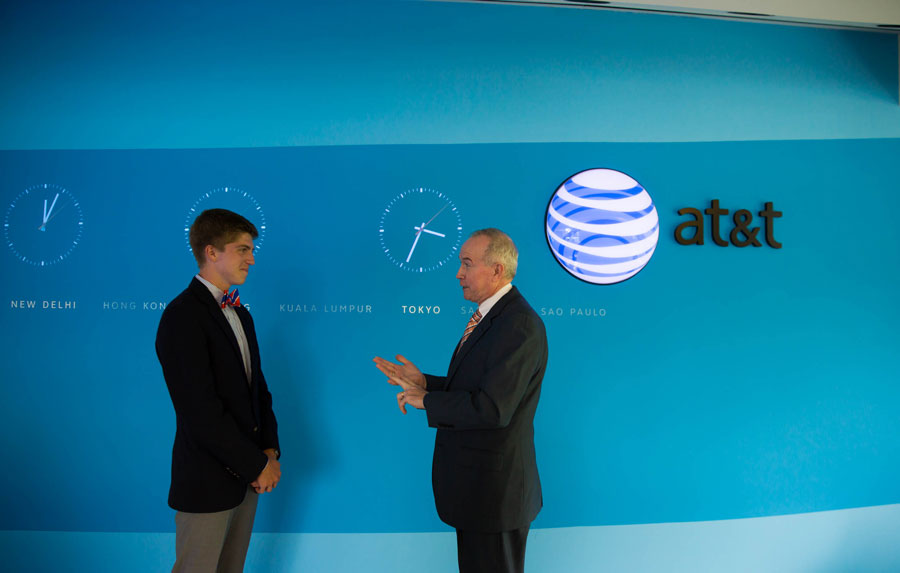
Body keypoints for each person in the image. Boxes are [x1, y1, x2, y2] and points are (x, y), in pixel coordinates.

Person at [374, 228, 548, 573]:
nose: (458, 273)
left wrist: (427, 400)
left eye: (467, 264)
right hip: (480, 491)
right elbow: (478, 389)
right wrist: (426, 383)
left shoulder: (518, 325)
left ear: (497, 270)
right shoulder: (495, 318)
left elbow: (494, 408)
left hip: (495, 495)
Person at [156, 208, 281, 573]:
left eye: (251, 250)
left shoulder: (241, 314)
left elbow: (258, 391)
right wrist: (257, 464)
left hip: (247, 478)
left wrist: (269, 451)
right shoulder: (181, 316)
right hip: (207, 482)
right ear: (212, 252)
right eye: (243, 249)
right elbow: (200, 413)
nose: (252, 259)